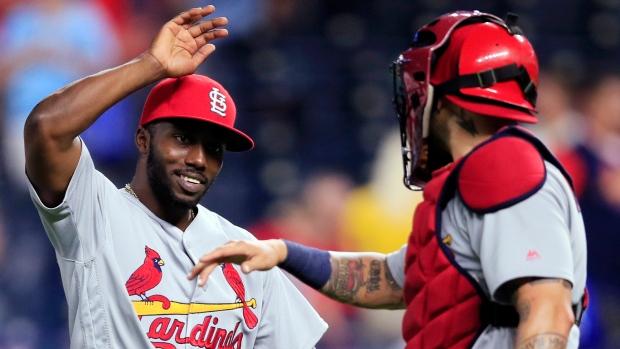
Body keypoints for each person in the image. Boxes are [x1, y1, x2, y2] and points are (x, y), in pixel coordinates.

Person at [188, 10, 588, 349]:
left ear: (454, 98)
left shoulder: (510, 171)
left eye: (421, 86)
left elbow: (548, 308)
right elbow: (393, 280)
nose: (414, 101)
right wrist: (284, 253)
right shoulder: (468, 182)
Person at [24, 6, 327, 349]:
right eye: (183, 139)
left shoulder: (247, 255)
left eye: (213, 148)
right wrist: (150, 65)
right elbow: (46, 127)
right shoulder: (94, 213)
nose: (199, 159)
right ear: (144, 139)